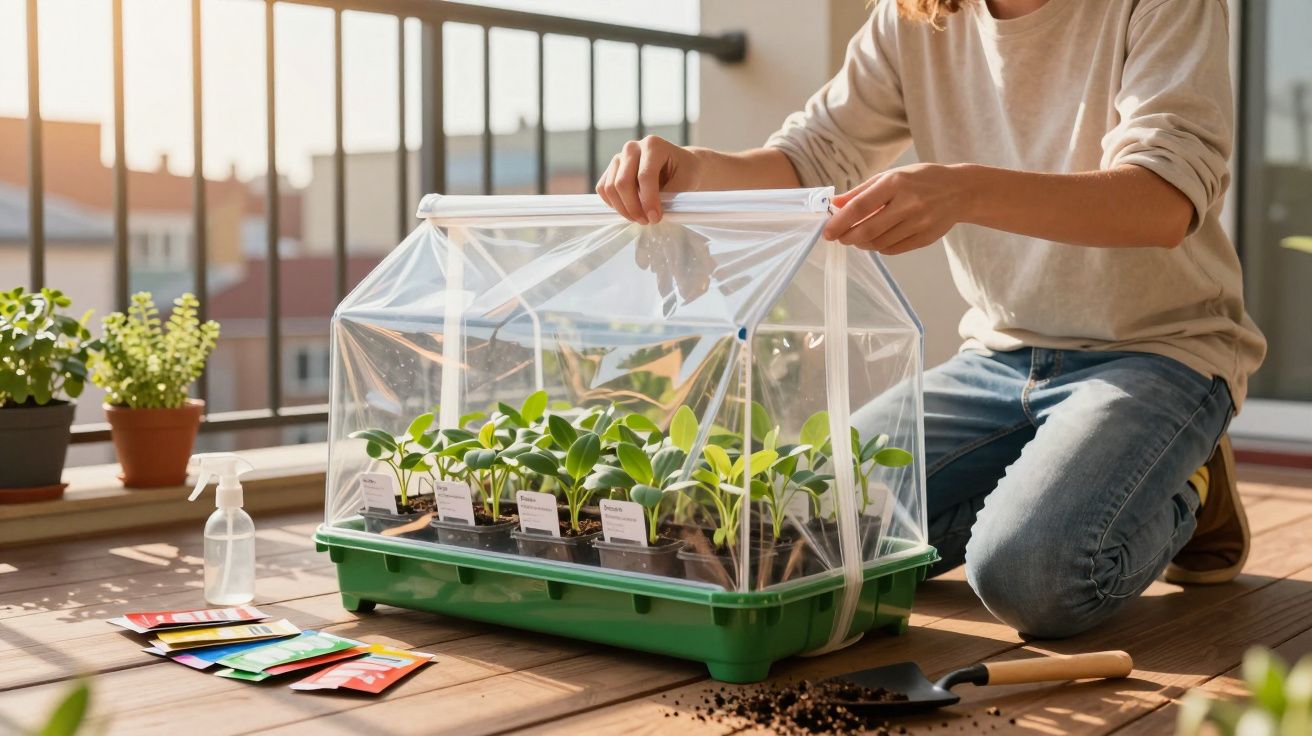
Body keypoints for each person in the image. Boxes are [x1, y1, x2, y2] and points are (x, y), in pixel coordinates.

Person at [595, 0, 1266, 639]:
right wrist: (696, 168)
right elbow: (813, 156)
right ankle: (1062, 477)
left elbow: (1163, 198)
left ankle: (1190, 482)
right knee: (799, 528)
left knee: (1030, 576)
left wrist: (964, 190)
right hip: (998, 359)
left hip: (1159, 354)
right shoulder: (917, 16)